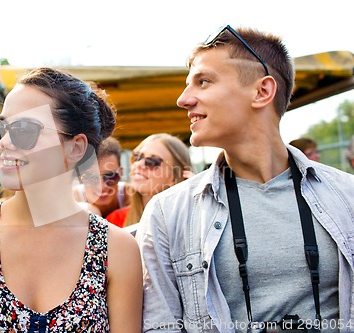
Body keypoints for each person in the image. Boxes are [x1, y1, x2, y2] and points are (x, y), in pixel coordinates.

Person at [135, 25, 354, 332]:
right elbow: (160, 326)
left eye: (203, 82)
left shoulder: (348, 198)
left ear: (261, 91)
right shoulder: (167, 213)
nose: (184, 100)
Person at [0, 67, 143, 332]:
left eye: (24, 129)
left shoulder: (118, 250)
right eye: (0, 128)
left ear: (75, 148)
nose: (4, 143)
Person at [106, 133, 194, 228]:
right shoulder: (114, 221)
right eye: (137, 157)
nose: (138, 164)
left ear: (175, 176)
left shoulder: (192, 222)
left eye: (152, 161)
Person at [73, 136, 131, 218]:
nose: (102, 186)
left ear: (121, 173)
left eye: (110, 176)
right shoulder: (72, 200)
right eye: (92, 178)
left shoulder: (131, 198)